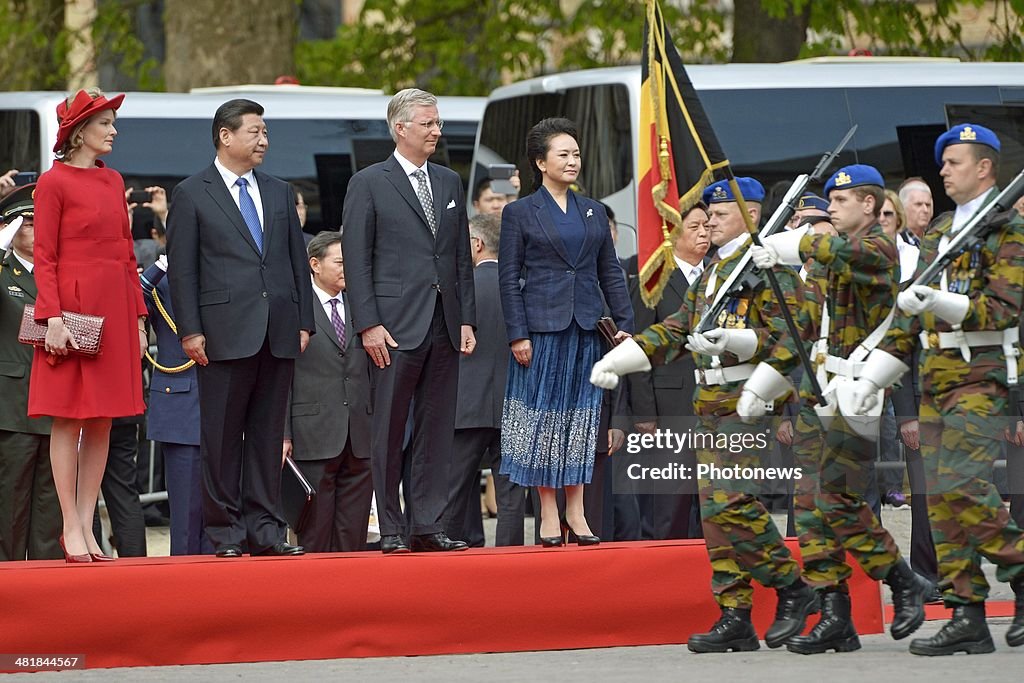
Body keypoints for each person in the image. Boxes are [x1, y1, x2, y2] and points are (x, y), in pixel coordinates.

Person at [592, 177, 817, 653]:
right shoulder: (715, 271)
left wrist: (742, 348)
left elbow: (789, 340)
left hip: (745, 403)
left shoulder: (766, 268)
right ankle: (734, 613)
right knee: (717, 518)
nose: (710, 219)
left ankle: (793, 587)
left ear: (753, 216)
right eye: (708, 212)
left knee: (731, 504)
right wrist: (626, 355)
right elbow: (675, 330)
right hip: (708, 406)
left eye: (721, 212)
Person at [850, 123, 1024, 655]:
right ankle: (967, 612)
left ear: (984, 168)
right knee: (939, 502)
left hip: (980, 375)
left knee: (968, 489)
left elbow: (1006, 307)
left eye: (953, 162)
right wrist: (875, 375)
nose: (943, 170)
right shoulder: (944, 230)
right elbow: (909, 317)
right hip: (936, 376)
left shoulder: (1007, 231)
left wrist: (943, 304)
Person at [751, 164, 933, 654]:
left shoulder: (877, 248)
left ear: (869, 205)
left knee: (838, 501)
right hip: (821, 392)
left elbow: (834, 248)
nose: (830, 208)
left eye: (840, 200)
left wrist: (790, 245)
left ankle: (902, 579)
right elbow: (811, 325)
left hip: (858, 397)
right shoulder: (834, 261)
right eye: (829, 200)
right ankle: (836, 614)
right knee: (809, 506)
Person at [166, 98, 314, 558]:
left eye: (265, 132)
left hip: (278, 329)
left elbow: (294, 261)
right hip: (222, 332)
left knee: (269, 438)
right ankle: (226, 532)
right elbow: (183, 270)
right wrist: (190, 329)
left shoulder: (277, 190)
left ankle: (266, 531)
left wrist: (304, 321)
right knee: (222, 439)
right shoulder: (193, 192)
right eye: (255, 131)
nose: (264, 140)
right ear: (225, 136)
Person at [342, 88, 477, 554]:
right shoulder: (369, 181)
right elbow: (357, 260)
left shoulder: (449, 181)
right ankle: (392, 528)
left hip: (444, 321)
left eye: (438, 123)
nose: (437, 131)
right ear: (401, 128)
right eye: (428, 123)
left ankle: (428, 523)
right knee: (389, 429)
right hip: (393, 326)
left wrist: (466, 319)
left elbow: (460, 255)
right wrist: (368, 324)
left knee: (437, 427)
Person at [499, 117, 633, 548]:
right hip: (540, 330)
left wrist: (625, 326)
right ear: (540, 162)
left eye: (576, 154)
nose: (572, 161)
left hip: (588, 330)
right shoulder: (519, 212)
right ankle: (549, 514)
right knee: (540, 421)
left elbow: (609, 271)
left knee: (581, 419)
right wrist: (517, 333)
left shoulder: (592, 209)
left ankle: (577, 510)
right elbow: (508, 277)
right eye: (563, 154)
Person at [28, 88, 147, 563]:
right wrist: (52, 317)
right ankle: (70, 525)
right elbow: (44, 256)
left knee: (103, 417)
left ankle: (86, 523)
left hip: (115, 305)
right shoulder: (53, 183)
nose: (113, 131)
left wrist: (138, 318)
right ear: (80, 132)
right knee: (68, 417)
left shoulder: (113, 180)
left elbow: (126, 251)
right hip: (72, 308)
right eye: (106, 124)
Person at [283, 231, 373, 552]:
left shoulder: (364, 306)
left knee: (354, 534)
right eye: (340, 262)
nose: (347, 268)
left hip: (360, 435)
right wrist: (284, 434)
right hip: (313, 434)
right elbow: (283, 378)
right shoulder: (296, 307)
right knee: (315, 535)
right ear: (315, 265)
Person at [626, 202, 710, 540]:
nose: (704, 232)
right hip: (670, 407)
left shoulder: (721, 275)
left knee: (714, 506)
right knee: (668, 507)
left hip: (716, 406)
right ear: (673, 233)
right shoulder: (655, 280)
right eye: (695, 227)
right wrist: (645, 413)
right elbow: (640, 350)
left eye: (707, 225)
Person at [444, 213, 525, 547]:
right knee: (511, 497)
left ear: (476, 244)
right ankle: (511, 565)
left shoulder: (457, 290)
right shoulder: (522, 289)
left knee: (450, 490)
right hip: (515, 401)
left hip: (464, 404)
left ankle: (441, 561)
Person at [0, 184, 61, 561]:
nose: (37, 230)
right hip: (14, 406)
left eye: (44, 223)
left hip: (56, 403)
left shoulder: (58, 272)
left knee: (49, 511)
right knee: (10, 506)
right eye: (27, 223)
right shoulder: (3, 269)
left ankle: (46, 587)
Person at [140, 254, 211, 556]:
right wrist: (160, 266)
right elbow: (130, 294)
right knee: (184, 513)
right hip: (180, 404)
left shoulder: (222, 270)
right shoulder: (162, 280)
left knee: (221, 513)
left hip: (223, 404)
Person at [897, 177, 934, 242]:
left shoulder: (937, 241)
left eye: (928, 205)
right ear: (902, 208)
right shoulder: (894, 241)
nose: (925, 210)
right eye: (918, 204)